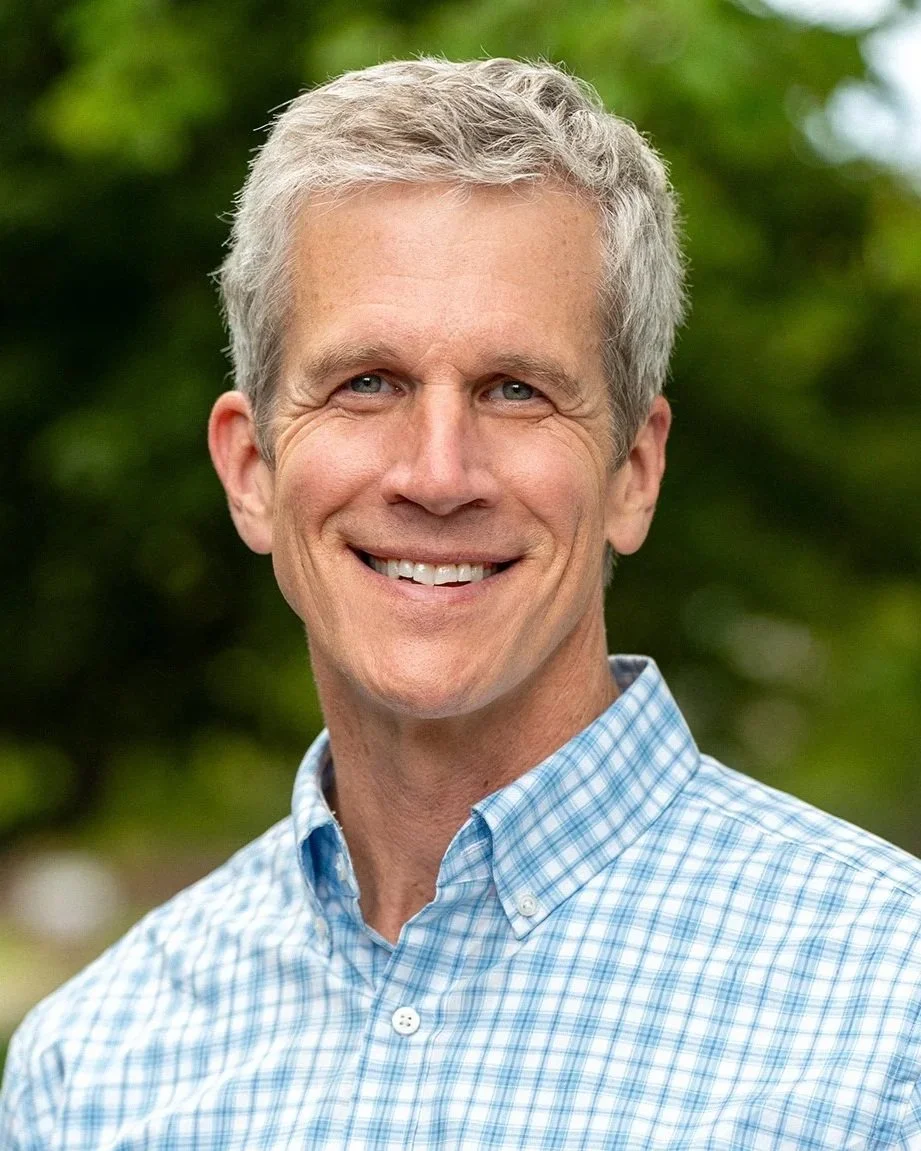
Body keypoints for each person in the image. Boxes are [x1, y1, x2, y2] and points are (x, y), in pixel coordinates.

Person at [2, 56, 920, 1151]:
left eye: (515, 389)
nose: (438, 474)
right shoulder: (91, 1067)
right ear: (251, 469)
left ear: (634, 469)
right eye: (368, 383)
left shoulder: (890, 1010)